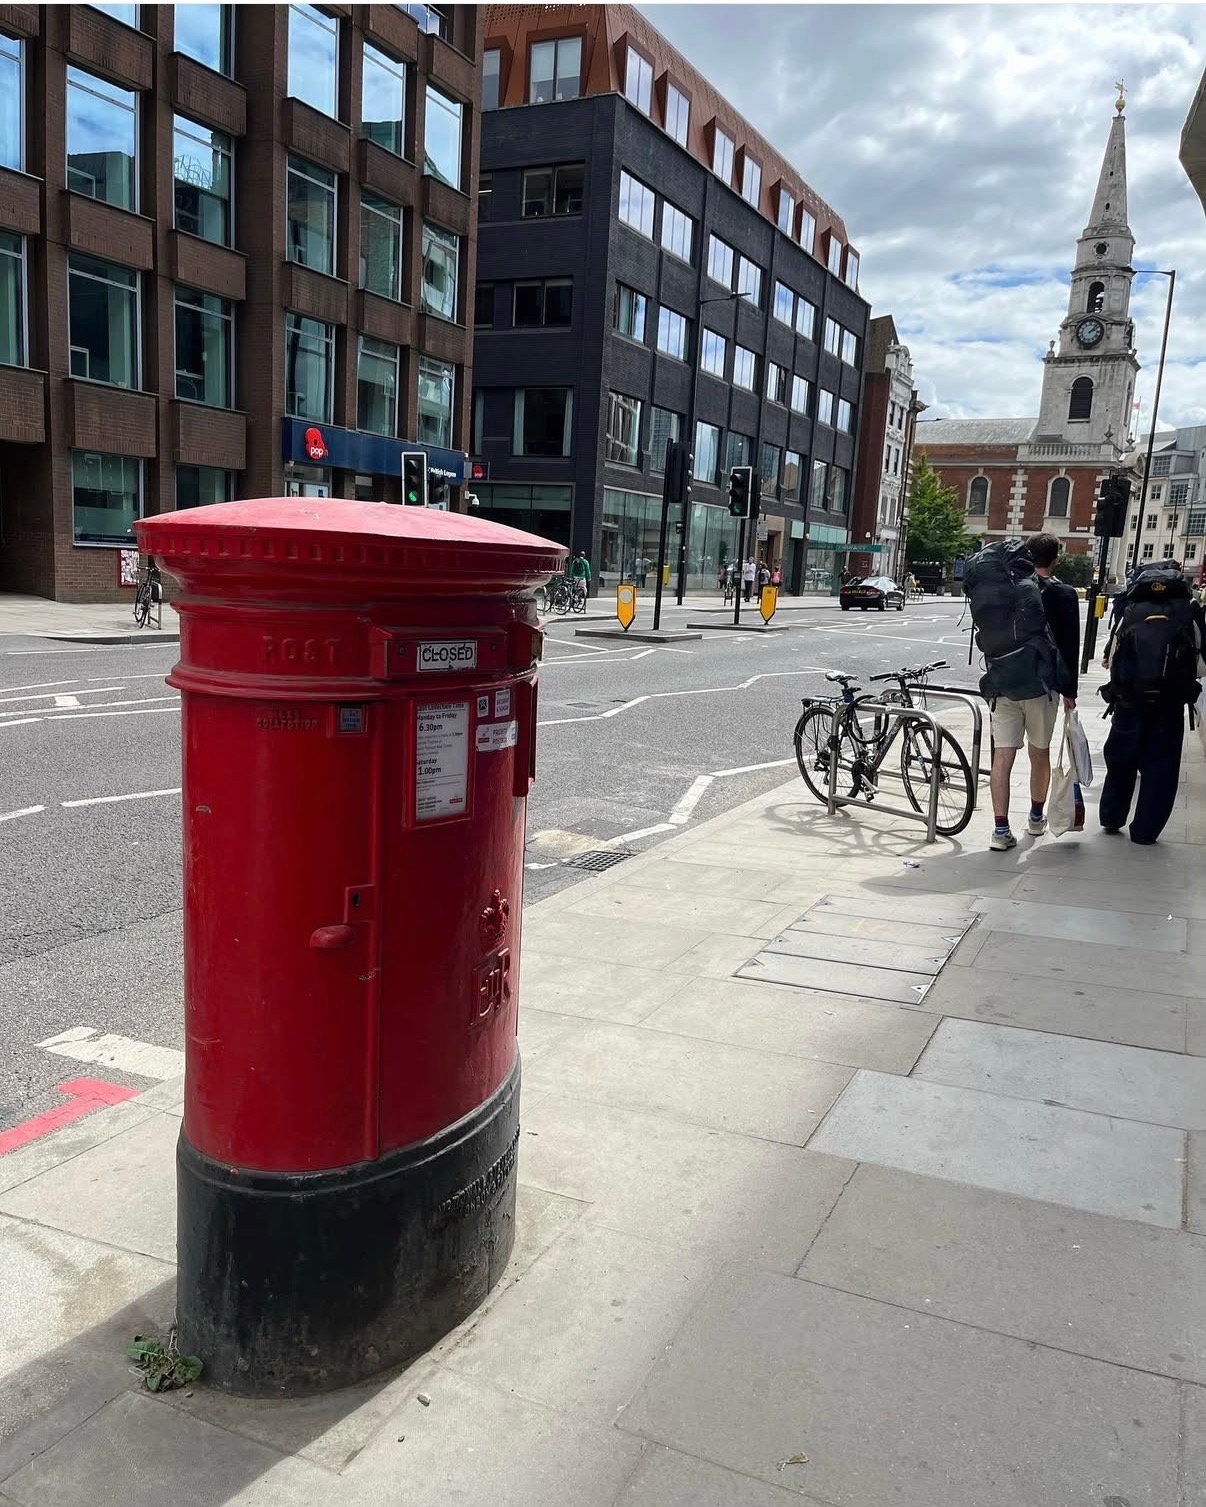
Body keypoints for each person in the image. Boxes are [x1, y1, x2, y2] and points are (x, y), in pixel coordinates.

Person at [1098, 560, 1205, 844]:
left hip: (1128, 700)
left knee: (1121, 759)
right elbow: (1200, 662)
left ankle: (1111, 816)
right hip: (1170, 703)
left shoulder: (1131, 608)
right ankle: (1145, 832)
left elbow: (1113, 652)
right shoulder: (1188, 609)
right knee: (1161, 767)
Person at [985, 534, 1077, 851]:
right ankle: (1036, 819)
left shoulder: (1004, 589)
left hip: (1002, 684)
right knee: (1039, 753)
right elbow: (1069, 645)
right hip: (1041, 686)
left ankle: (1000, 830)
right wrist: (1069, 690)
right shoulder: (1063, 594)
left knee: (1002, 757)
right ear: (1056, 559)